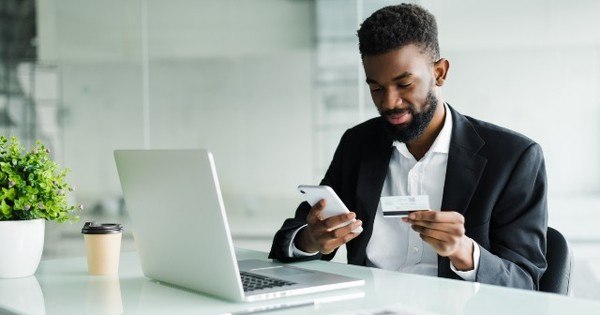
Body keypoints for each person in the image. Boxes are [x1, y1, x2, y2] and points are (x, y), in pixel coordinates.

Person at [269, 3, 547, 290]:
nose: (389, 102)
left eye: (404, 85)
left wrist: (465, 253)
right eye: (376, 88)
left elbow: (526, 282)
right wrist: (312, 240)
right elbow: (288, 239)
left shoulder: (514, 158)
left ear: (439, 72)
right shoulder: (358, 144)